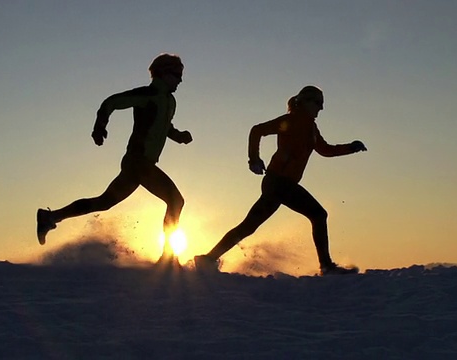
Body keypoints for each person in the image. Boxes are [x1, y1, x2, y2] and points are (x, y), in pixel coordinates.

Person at [195, 85, 367, 275]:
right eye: (318, 103)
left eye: (322, 104)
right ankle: (326, 266)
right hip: (279, 182)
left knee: (249, 225)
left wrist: (351, 147)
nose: (321, 108)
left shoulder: (311, 127)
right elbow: (257, 130)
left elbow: (325, 150)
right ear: (305, 102)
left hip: (281, 184)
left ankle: (207, 259)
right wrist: (254, 159)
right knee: (318, 215)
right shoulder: (291, 120)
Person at [36, 53, 192, 260]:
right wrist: (99, 126)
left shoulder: (169, 101)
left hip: (138, 165)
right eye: (176, 74)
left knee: (104, 202)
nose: (180, 80)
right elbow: (111, 102)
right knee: (175, 201)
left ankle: (50, 216)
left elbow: (163, 127)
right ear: (162, 74)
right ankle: (168, 259)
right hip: (138, 162)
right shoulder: (148, 95)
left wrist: (178, 135)